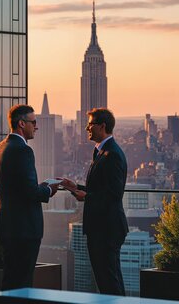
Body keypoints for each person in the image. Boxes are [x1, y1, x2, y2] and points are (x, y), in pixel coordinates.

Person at [0, 104, 59, 290]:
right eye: (33, 122)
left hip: (5, 227)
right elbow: (30, 192)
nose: (36, 126)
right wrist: (49, 190)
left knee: (10, 281)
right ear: (21, 123)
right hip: (24, 230)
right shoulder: (23, 150)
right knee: (22, 283)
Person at [62, 108, 128, 295]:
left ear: (102, 126)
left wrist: (86, 197)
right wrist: (77, 187)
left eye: (90, 124)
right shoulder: (102, 152)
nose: (86, 128)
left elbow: (113, 195)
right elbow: (101, 189)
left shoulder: (111, 154)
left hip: (106, 229)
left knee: (108, 280)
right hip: (102, 227)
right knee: (107, 278)